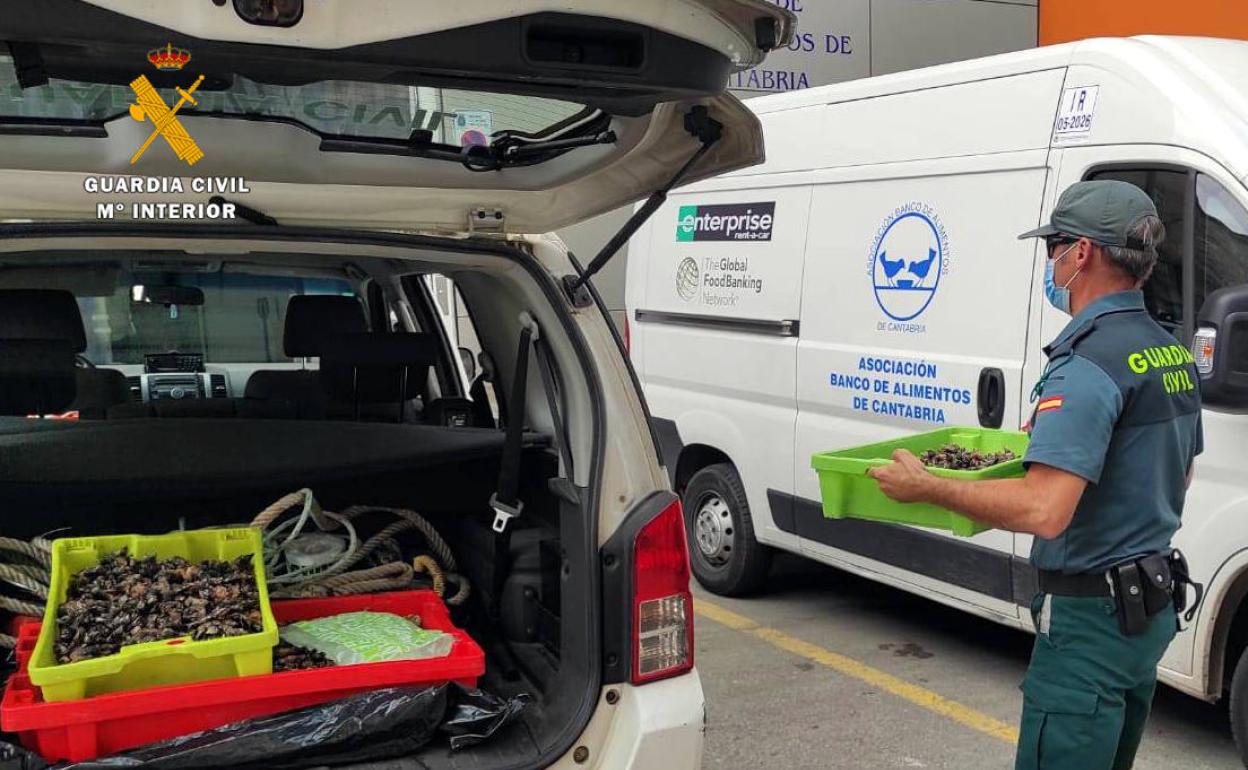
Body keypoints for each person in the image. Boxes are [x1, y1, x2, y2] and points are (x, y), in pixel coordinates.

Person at [867, 179, 1203, 770]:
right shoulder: (1166, 348)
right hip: (1143, 610)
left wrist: (927, 487)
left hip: (1089, 626)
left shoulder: (1086, 363)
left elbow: (1046, 511)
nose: (1048, 262)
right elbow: (1180, 469)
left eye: (1054, 248)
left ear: (1082, 255)